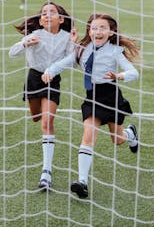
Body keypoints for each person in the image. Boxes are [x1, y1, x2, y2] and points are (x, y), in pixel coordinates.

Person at [42, 13, 140, 199]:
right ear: (89, 30)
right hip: (92, 98)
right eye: (94, 28)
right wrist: (49, 71)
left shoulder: (115, 51)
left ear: (111, 32)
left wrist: (120, 76)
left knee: (117, 139)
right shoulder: (82, 49)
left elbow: (133, 72)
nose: (98, 31)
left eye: (103, 28)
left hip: (111, 97)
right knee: (88, 136)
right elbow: (64, 63)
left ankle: (130, 134)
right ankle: (82, 182)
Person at [9, 2, 76, 190]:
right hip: (34, 78)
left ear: (61, 20)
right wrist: (24, 43)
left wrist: (73, 42)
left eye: (52, 12)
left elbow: (74, 62)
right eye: (44, 13)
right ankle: (38, 116)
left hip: (52, 80)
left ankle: (46, 171)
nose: (47, 15)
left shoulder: (66, 37)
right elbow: (11, 53)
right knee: (36, 117)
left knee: (47, 122)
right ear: (40, 20)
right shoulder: (35, 35)